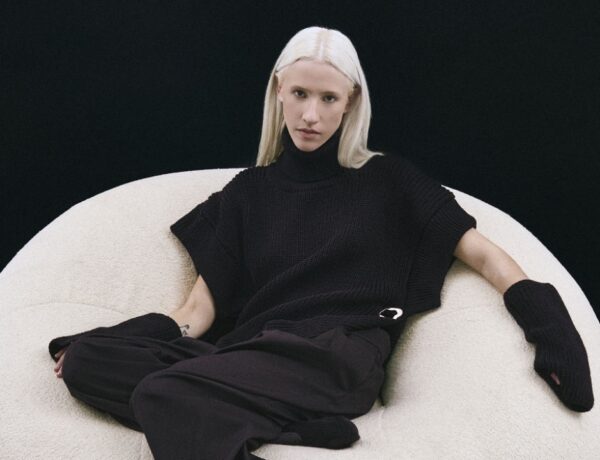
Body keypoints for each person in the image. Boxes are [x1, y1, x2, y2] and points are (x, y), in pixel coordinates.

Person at [48, 26, 594, 460]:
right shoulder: (247, 193)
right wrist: (109, 340)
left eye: (329, 98)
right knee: (88, 362)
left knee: (165, 393)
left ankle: (255, 417)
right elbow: (197, 313)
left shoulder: (389, 181)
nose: (311, 115)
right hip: (248, 355)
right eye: (300, 94)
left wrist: (553, 333)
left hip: (336, 356)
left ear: (351, 102)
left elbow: (485, 255)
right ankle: (288, 427)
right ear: (278, 92)